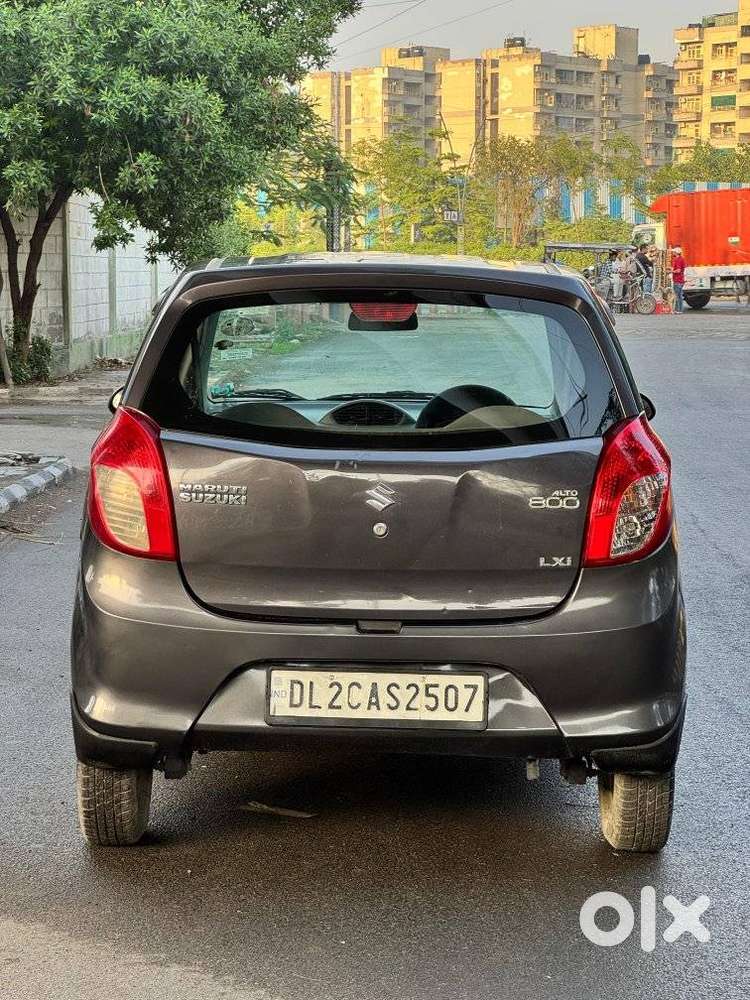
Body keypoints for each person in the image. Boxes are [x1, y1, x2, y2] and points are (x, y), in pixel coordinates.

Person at [671, 246, 687, 313]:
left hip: (678, 280)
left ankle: (678, 310)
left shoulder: (677, 260)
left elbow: (678, 270)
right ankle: (680, 309)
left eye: (674, 252)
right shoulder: (682, 259)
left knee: (677, 296)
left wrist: (671, 272)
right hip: (680, 279)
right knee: (679, 295)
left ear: (676, 253)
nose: (673, 253)